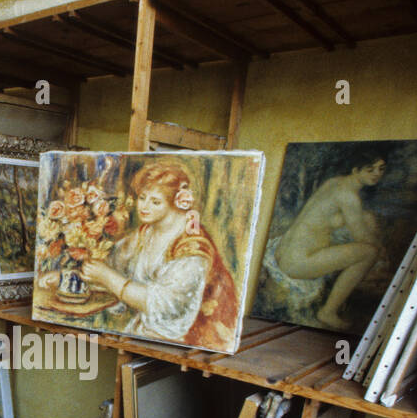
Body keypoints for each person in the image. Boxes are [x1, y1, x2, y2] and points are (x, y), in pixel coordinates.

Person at [76, 160, 240, 351]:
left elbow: (162, 304)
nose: (144, 207)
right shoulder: (146, 232)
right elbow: (112, 262)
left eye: (155, 202)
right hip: (142, 334)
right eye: (142, 197)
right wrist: (73, 274)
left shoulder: (191, 249)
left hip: (179, 343)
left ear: (174, 204)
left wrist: (106, 276)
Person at [267, 147, 389, 330]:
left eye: (381, 169)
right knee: (370, 253)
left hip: (285, 251)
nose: (377, 174)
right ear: (356, 170)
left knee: (368, 219)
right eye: (370, 170)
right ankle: (328, 312)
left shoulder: (334, 183)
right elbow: (364, 239)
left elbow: (334, 220)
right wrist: (383, 251)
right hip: (297, 262)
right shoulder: (348, 196)